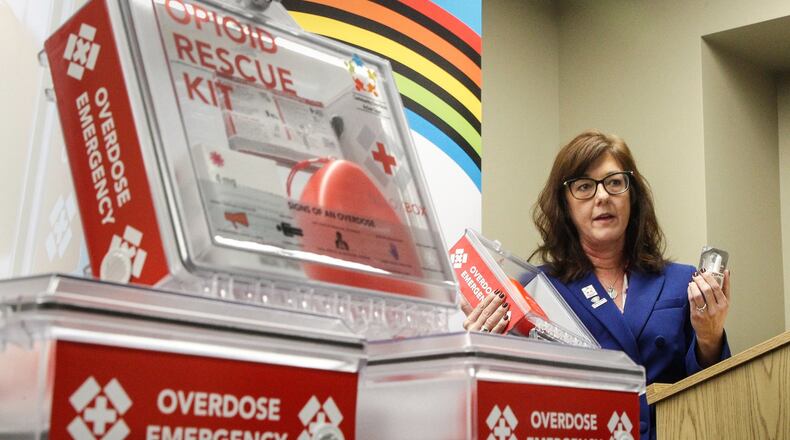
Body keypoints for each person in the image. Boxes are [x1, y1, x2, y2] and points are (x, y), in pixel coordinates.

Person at [461, 130, 731, 440]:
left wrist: (710, 337)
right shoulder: (537, 290)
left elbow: (714, 398)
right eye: (585, 186)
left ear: (633, 195)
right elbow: (519, 401)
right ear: (565, 205)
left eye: (614, 183)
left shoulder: (682, 282)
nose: (602, 196)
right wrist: (481, 347)